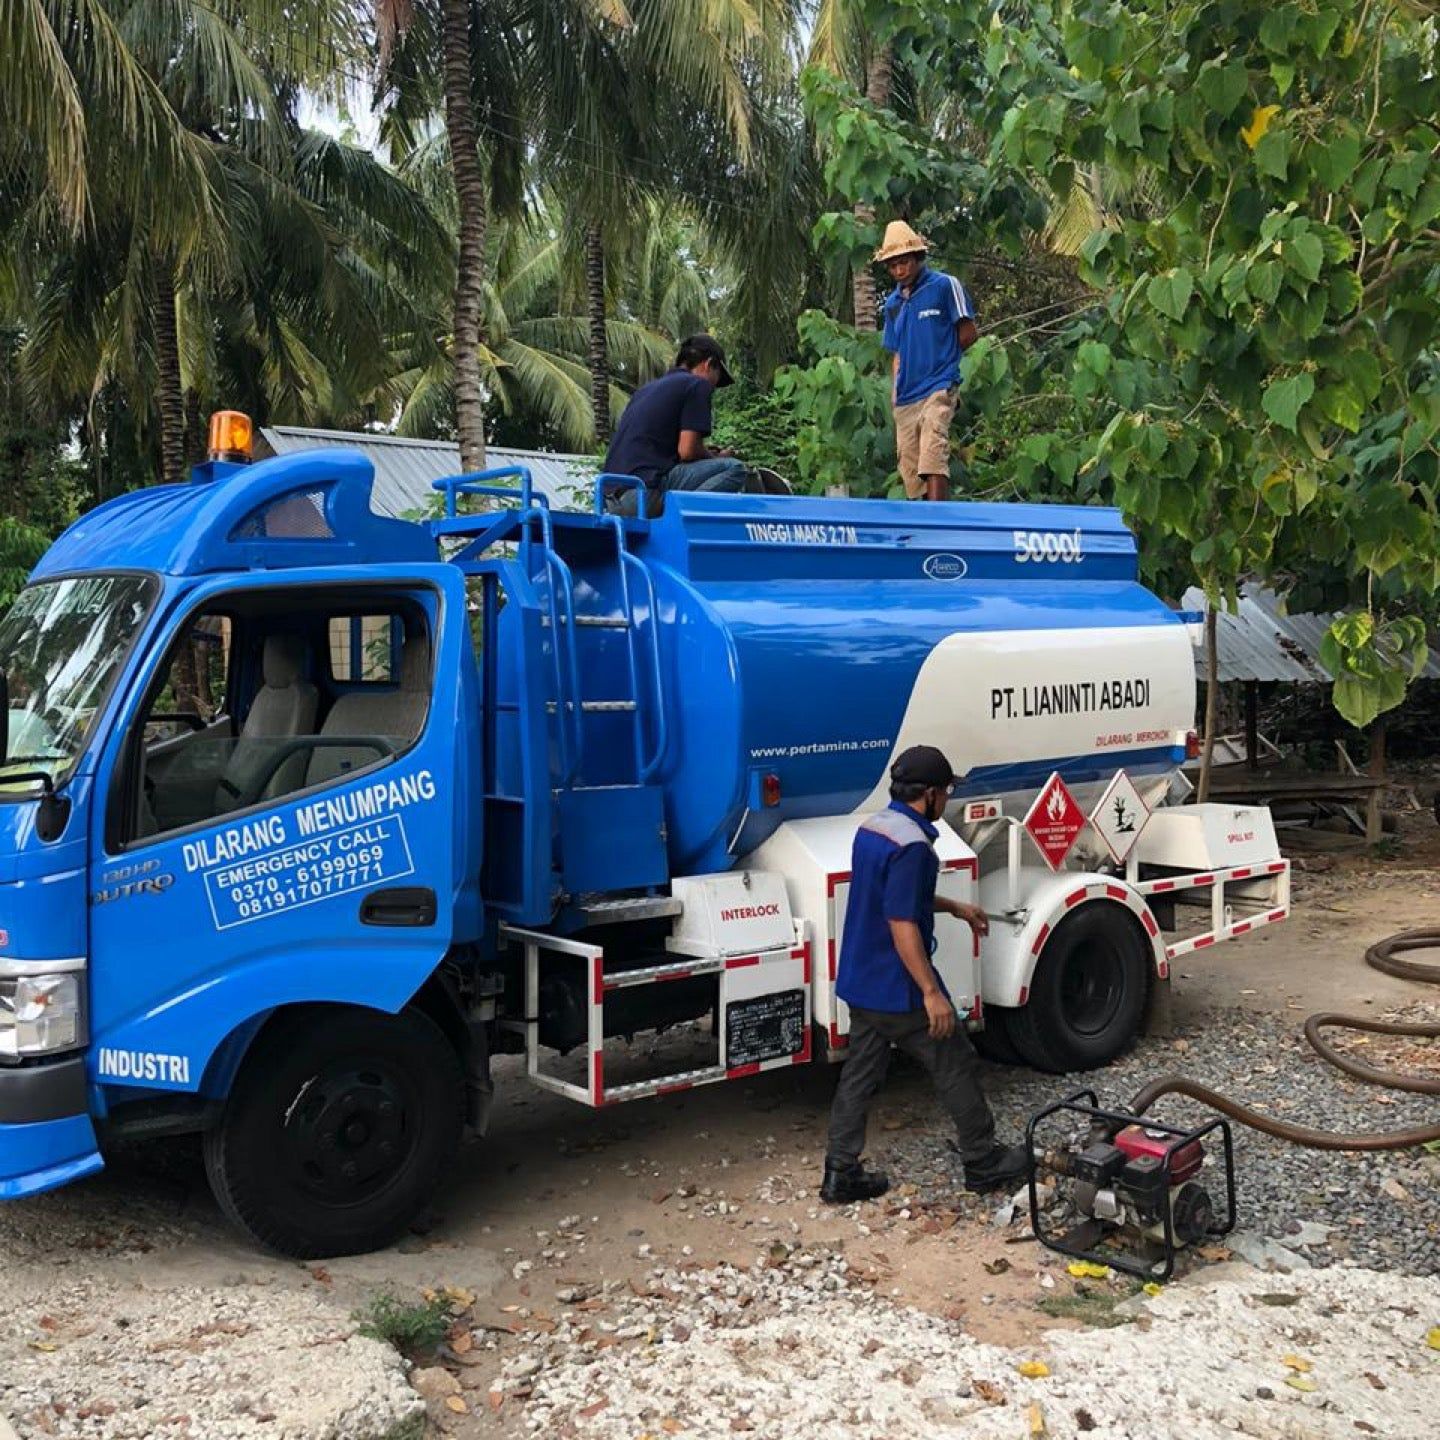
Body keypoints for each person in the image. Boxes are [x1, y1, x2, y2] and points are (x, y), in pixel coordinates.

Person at [820, 744, 1029, 1204]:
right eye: (948, 791)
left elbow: (890, 897)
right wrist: (930, 993)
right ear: (931, 794)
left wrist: (953, 906)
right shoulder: (915, 848)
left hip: (860, 979)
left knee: (860, 1073)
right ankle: (983, 1160)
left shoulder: (874, 830)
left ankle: (840, 1171)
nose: (949, 799)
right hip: (897, 988)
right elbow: (901, 923)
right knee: (954, 1060)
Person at [875, 221, 979, 503]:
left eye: (905, 262)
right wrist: (895, 393)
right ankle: (920, 527)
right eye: (893, 265)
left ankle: (937, 521)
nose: (900, 270)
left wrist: (941, 359)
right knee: (910, 464)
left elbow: (968, 332)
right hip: (907, 392)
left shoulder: (944, 286)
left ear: (917, 258)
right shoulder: (893, 304)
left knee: (933, 450)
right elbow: (896, 350)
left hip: (939, 384)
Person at [603, 335, 746, 511]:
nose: (714, 387)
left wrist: (705, 452)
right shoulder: (697, 385)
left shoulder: (645, 390)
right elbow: (687, 451)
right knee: (735, 468)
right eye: (717, 378)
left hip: (609, 500)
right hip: (642, 496)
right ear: (708, 364)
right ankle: (685, 518)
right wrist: (717, 457)